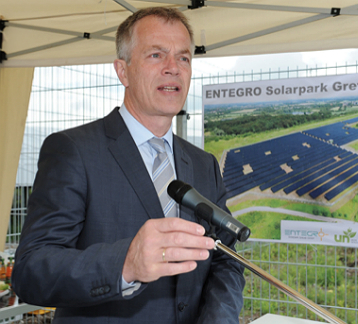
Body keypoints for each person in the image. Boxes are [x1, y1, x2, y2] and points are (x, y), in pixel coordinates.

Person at [12, 7, 245, 324]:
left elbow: (226, 259)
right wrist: (126, 264)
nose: (172, 68)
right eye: (155, 55)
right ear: (123, 71)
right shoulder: (73, 150)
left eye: (183, 58)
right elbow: (31, 271)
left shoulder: (204, 164)